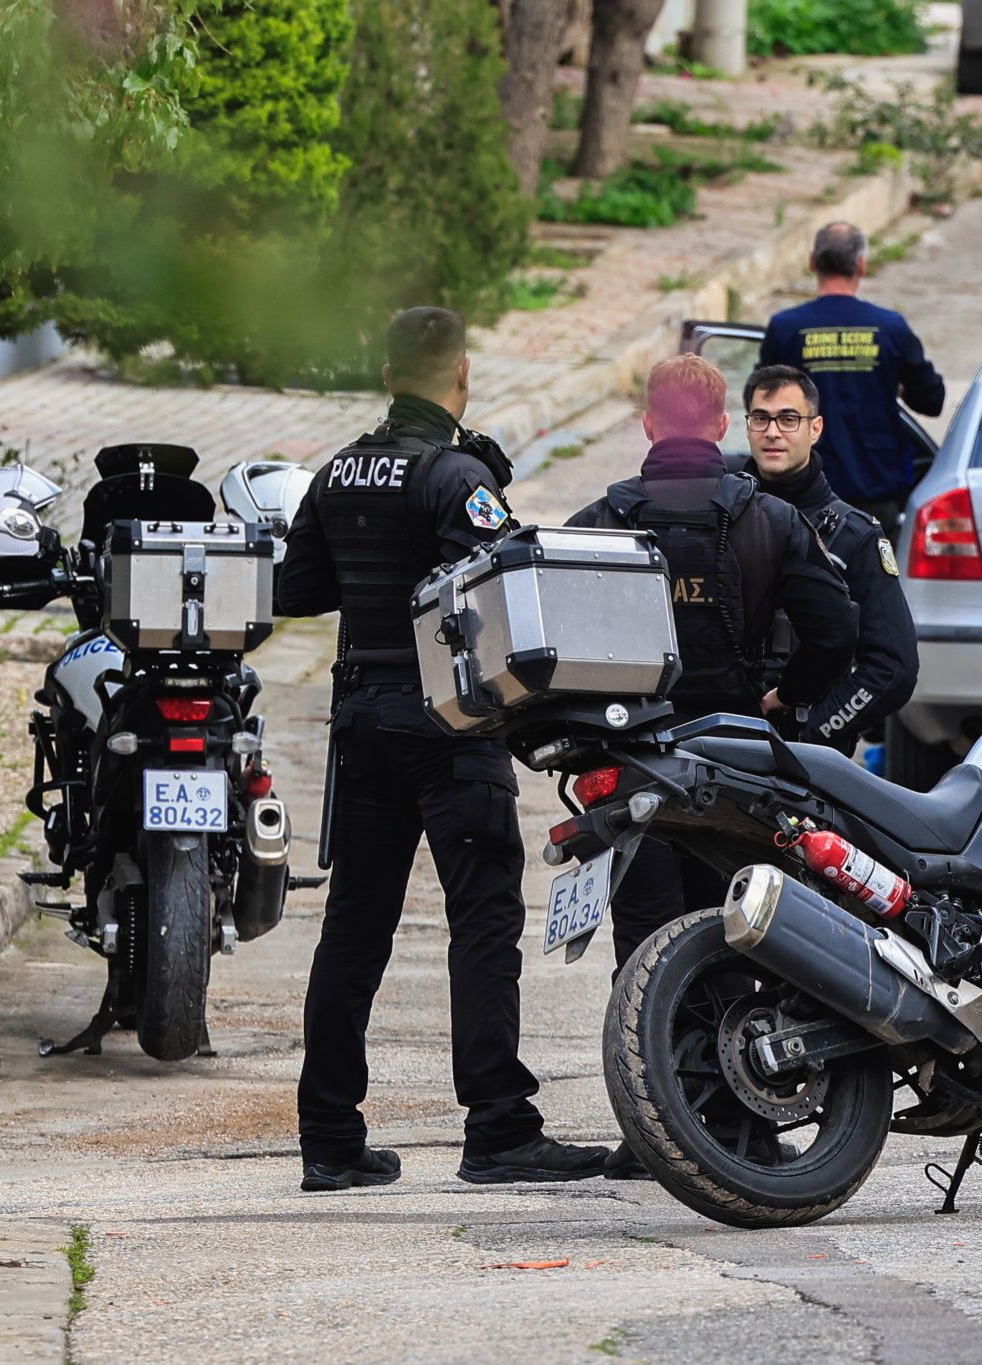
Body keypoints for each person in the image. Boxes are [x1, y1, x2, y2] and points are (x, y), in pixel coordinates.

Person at [276, 307, 608, 1192]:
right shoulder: (455, 475)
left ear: (387, 374)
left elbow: (296, 587)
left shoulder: (339, 470)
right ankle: (499, 1127)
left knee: (354, 930)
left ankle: (328, 1137)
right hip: (450, 727)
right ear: (461, 372)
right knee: (484, 922)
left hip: (364, 724)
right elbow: (505, 589)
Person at [567, 355, 856, 1179]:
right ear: (725, 425)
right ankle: (743, 1127)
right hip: (734, 764)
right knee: (742, 937)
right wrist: (784, 695)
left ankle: (653, 1131)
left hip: (632, 761)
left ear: (649, 424)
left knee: (645, 948)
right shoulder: (771, 518)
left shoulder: (598, 523)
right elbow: (837, 632)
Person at [739, 364, 919, 755]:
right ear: (748, 426)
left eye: (789, 419)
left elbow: (892, 668)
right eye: (761, 418)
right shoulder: (720, 519)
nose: (772, 432)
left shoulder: (854, 536)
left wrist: (813, 734)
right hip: (715, 742)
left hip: (808, 762)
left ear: (815, 429)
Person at [759, 222, 947, 532]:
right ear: (861, 264)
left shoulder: (785, 328)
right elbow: (932, 399)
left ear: (812, 262)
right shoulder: (890, 328)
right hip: (876, 490)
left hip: (802, 494)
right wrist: (894, 383)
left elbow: (760, 403)